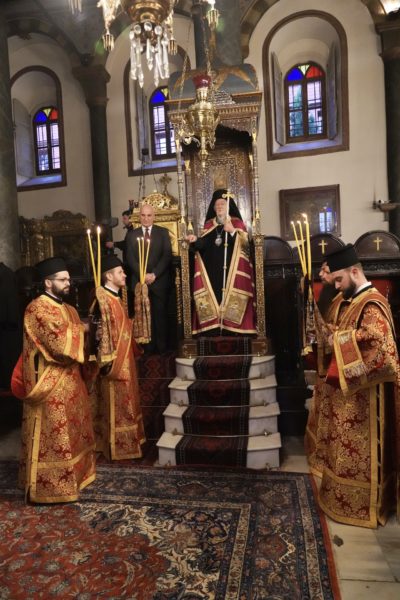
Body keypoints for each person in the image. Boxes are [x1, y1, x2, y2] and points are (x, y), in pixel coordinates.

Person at [316, 243, 400, 528]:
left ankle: (365, 505)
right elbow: (349, 332)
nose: (336, 285)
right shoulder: (353, 300)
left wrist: (337, 340)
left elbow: (379, 346)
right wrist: (334, 335)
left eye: (339, 279)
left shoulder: (371, 303)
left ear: (354, 272)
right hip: (349, 393)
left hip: (367, 400)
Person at [11, 257, 96, 503]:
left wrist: (94, 335)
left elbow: (79, 338)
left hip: (72, 381)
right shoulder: (37, 308)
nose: (69, 283)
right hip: (50, 383)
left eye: (68, 279)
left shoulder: (68, 308)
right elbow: (59, 344)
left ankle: (76, 477)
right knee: (56, 435)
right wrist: (84, 329)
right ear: (48, 282)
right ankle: (51, 487)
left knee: (74, 431)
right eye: (63, 279)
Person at [91, 254, 146, 460]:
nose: (124, 275)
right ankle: (117, 447)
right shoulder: (102, 300)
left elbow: (122, 328)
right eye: (120, 272)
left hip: (126, 360)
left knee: (128, 401)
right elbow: (99, 335)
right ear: (108, 276)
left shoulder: (116, 298)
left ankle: (129, 443)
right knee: (118, 404)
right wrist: (107, 363)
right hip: (114, 364)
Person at [185, 189, 256, 335]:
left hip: (232, 272)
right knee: (215, 298)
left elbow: (246, 248)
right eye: (217, 205)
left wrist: (232, 232)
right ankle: (214, 327)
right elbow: (203, 245)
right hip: (212, 272)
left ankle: (233, 328)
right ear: (213, 207)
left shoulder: (237, 223)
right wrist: (195, 240)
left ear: (228, 206)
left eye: (222, 204)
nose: (219, 207)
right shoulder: (208, 225)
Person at [304, 260, 347, 476]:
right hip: (327, 366)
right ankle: (320, 454)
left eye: (326, 271)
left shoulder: (345, 299)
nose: (321, 275)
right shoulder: (331, 296)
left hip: (337, 369)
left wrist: (331, 332)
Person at [125, 203, 172, 353]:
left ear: (154, 216)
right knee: (143, 316)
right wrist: (142, 274)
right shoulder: (132, 235)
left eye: (149, 215)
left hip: (159, 281)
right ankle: (147, 349)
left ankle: (162, 348)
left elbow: (167, 256)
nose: (146, 218)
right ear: (139, 217)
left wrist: (154, 274)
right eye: (143, 215)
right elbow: (130, 258)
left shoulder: (163, 233)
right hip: (139, 282)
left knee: (160, 315)